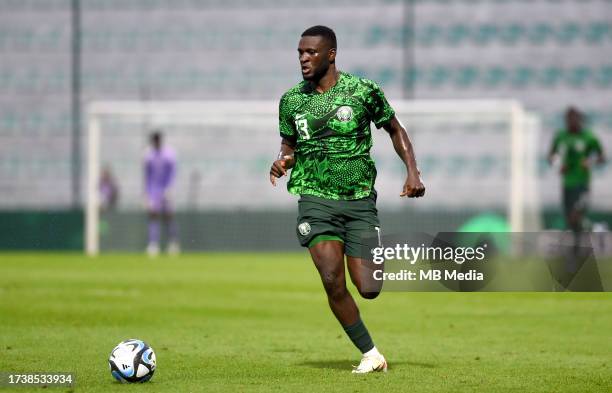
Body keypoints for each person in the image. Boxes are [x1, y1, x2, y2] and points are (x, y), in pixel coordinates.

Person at [269, 25, 425, 373]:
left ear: (331, 55)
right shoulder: (292, 100)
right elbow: (288, 142)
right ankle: (370, 354)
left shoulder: (362, 91)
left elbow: (395, 129)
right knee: (330, 279)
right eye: (299, 53)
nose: (303, 59)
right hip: (315, 198)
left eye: (310, 52)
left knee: (369, 286)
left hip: (358, 201)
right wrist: (284, 159)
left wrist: (412, 171)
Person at [548, 107, 605, 235]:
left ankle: (587, 238)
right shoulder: (561, 136)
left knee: (575, 216)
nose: (572, 122)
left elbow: (602, 157)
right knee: (571, 220)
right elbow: (551, 156)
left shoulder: (589, 137)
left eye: (574, 119)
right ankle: (592, 232)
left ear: (579, 120)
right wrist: (558, 165)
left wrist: (590, 162)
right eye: (569, 119)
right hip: (567, 184)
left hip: (582, 184)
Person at [144, 131, 180, 256]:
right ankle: (153, 244)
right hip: (154, 190)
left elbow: (173, 172)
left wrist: (170, 188)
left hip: (166, 189)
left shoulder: (169, 154)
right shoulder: (148, 155)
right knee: (153, 215)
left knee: (168, 216)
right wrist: (147, 194)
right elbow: (147, 176)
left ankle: (173, 243)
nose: (155, 143)